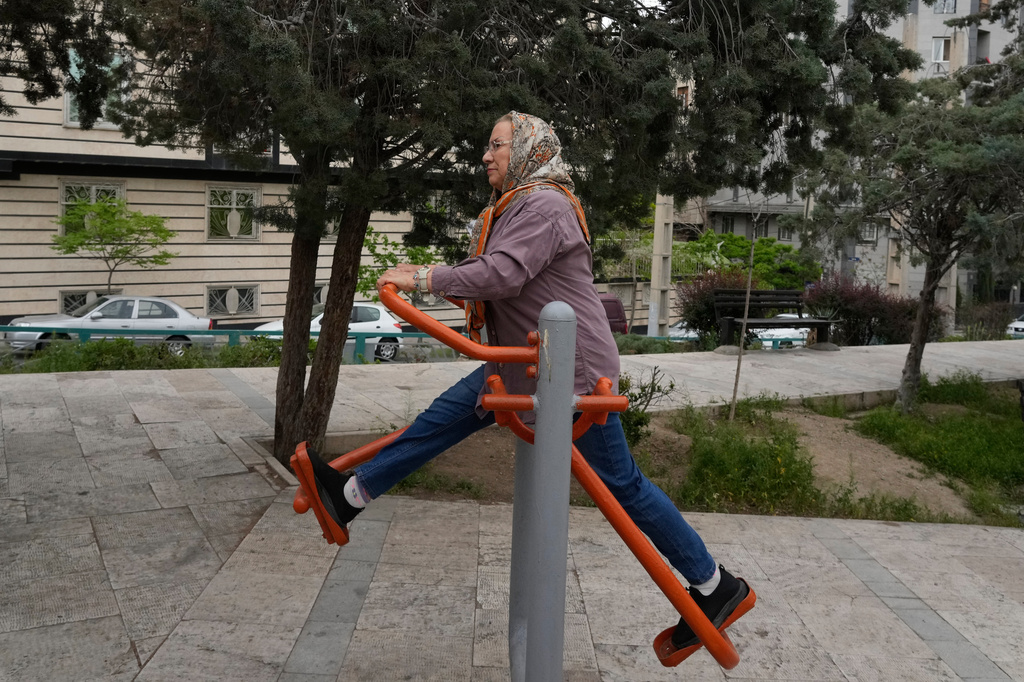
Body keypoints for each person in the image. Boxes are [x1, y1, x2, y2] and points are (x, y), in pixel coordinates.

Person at [293, 111, 753, 656]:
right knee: (439, 420)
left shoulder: (544, 204)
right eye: (486, 146)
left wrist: (421, 278)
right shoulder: (515, 206)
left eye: (497, 146)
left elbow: (502, 275)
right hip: (523, 364)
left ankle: (714, 586)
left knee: (622, 485)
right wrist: (442, 278)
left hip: (573, 375)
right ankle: (350, 496)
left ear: (531, 149)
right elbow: (491, 276)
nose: (486, 156)